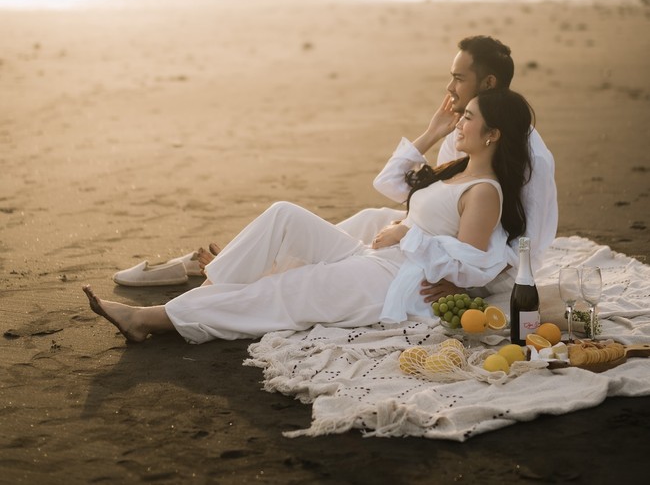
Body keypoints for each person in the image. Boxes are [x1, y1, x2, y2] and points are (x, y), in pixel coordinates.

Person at [83, 88, 533, 344]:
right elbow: (399, 189)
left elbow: (470, 263)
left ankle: (150, 319)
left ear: (493, 134)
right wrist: (401, 222)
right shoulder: (455, 171)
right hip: (374, 258)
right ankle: (212, 289)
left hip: (397, 283)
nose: (460, 121)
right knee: (284, 216)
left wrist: (404, 235)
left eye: (469, 117)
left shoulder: (484, 192)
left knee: (286, 292)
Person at [338, 35, 557, 302]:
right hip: (441, 242)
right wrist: (432, 133)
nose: (450, 86)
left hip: (477, 268)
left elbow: (527, 245)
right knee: (372, 218)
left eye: (459, 78)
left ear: (488, 83)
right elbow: (405, 188)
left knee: (362, 246)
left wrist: (464, 286)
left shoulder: (533, 157)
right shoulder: (461, 133)